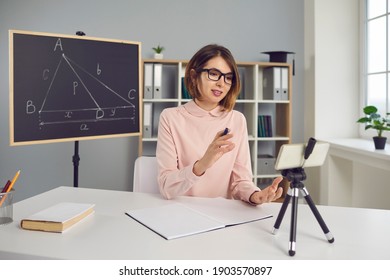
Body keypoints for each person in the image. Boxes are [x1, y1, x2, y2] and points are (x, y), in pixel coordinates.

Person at [156, 44, 283, 205]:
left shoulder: (237, 120)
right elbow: (166, 187)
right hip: (182, 212)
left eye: (228, 77)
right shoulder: (170, 118)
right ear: (194, 76)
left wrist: (254, 195)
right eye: (214, 74)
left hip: (222, 214)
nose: (221, 83)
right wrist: (202, 164)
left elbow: (240, 181)